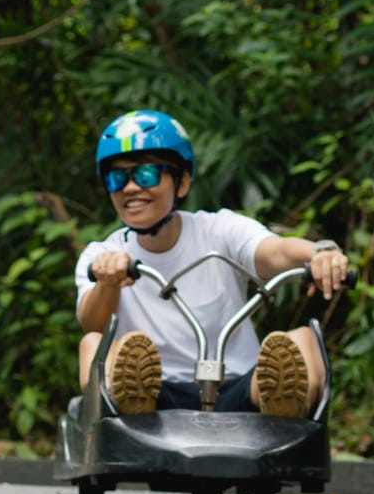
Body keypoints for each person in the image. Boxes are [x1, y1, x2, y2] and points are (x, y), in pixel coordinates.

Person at [74, 109, 351, 418]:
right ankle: (131, 399)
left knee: (302, 340)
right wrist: (108, 282)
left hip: (239, 388)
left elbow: (276, 252)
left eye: (146, 174)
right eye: (117, 177)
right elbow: (92, 322)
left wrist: (320, 252)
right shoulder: (101, 254)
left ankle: (281, 406)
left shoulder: (219, 230)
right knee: (93, 344)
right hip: (151, 397)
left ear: (181, 182)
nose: (130, 187)